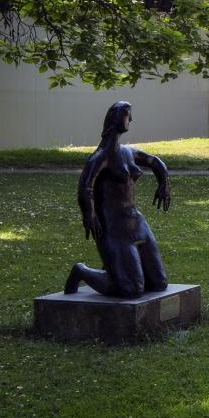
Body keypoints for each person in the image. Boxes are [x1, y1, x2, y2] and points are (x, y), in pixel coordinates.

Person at [64, 101, 173, 298]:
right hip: (114, 228)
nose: (130, 119)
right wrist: (89, 214)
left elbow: (155, 162)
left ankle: (116, 269)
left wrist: (163, 184)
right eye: (127, 114)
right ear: (115, 118)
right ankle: (81, 271)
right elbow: (85, 187)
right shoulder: (100, 157)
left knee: (159, 283)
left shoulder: (128, 152)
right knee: (131, 289)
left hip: (137, 224)